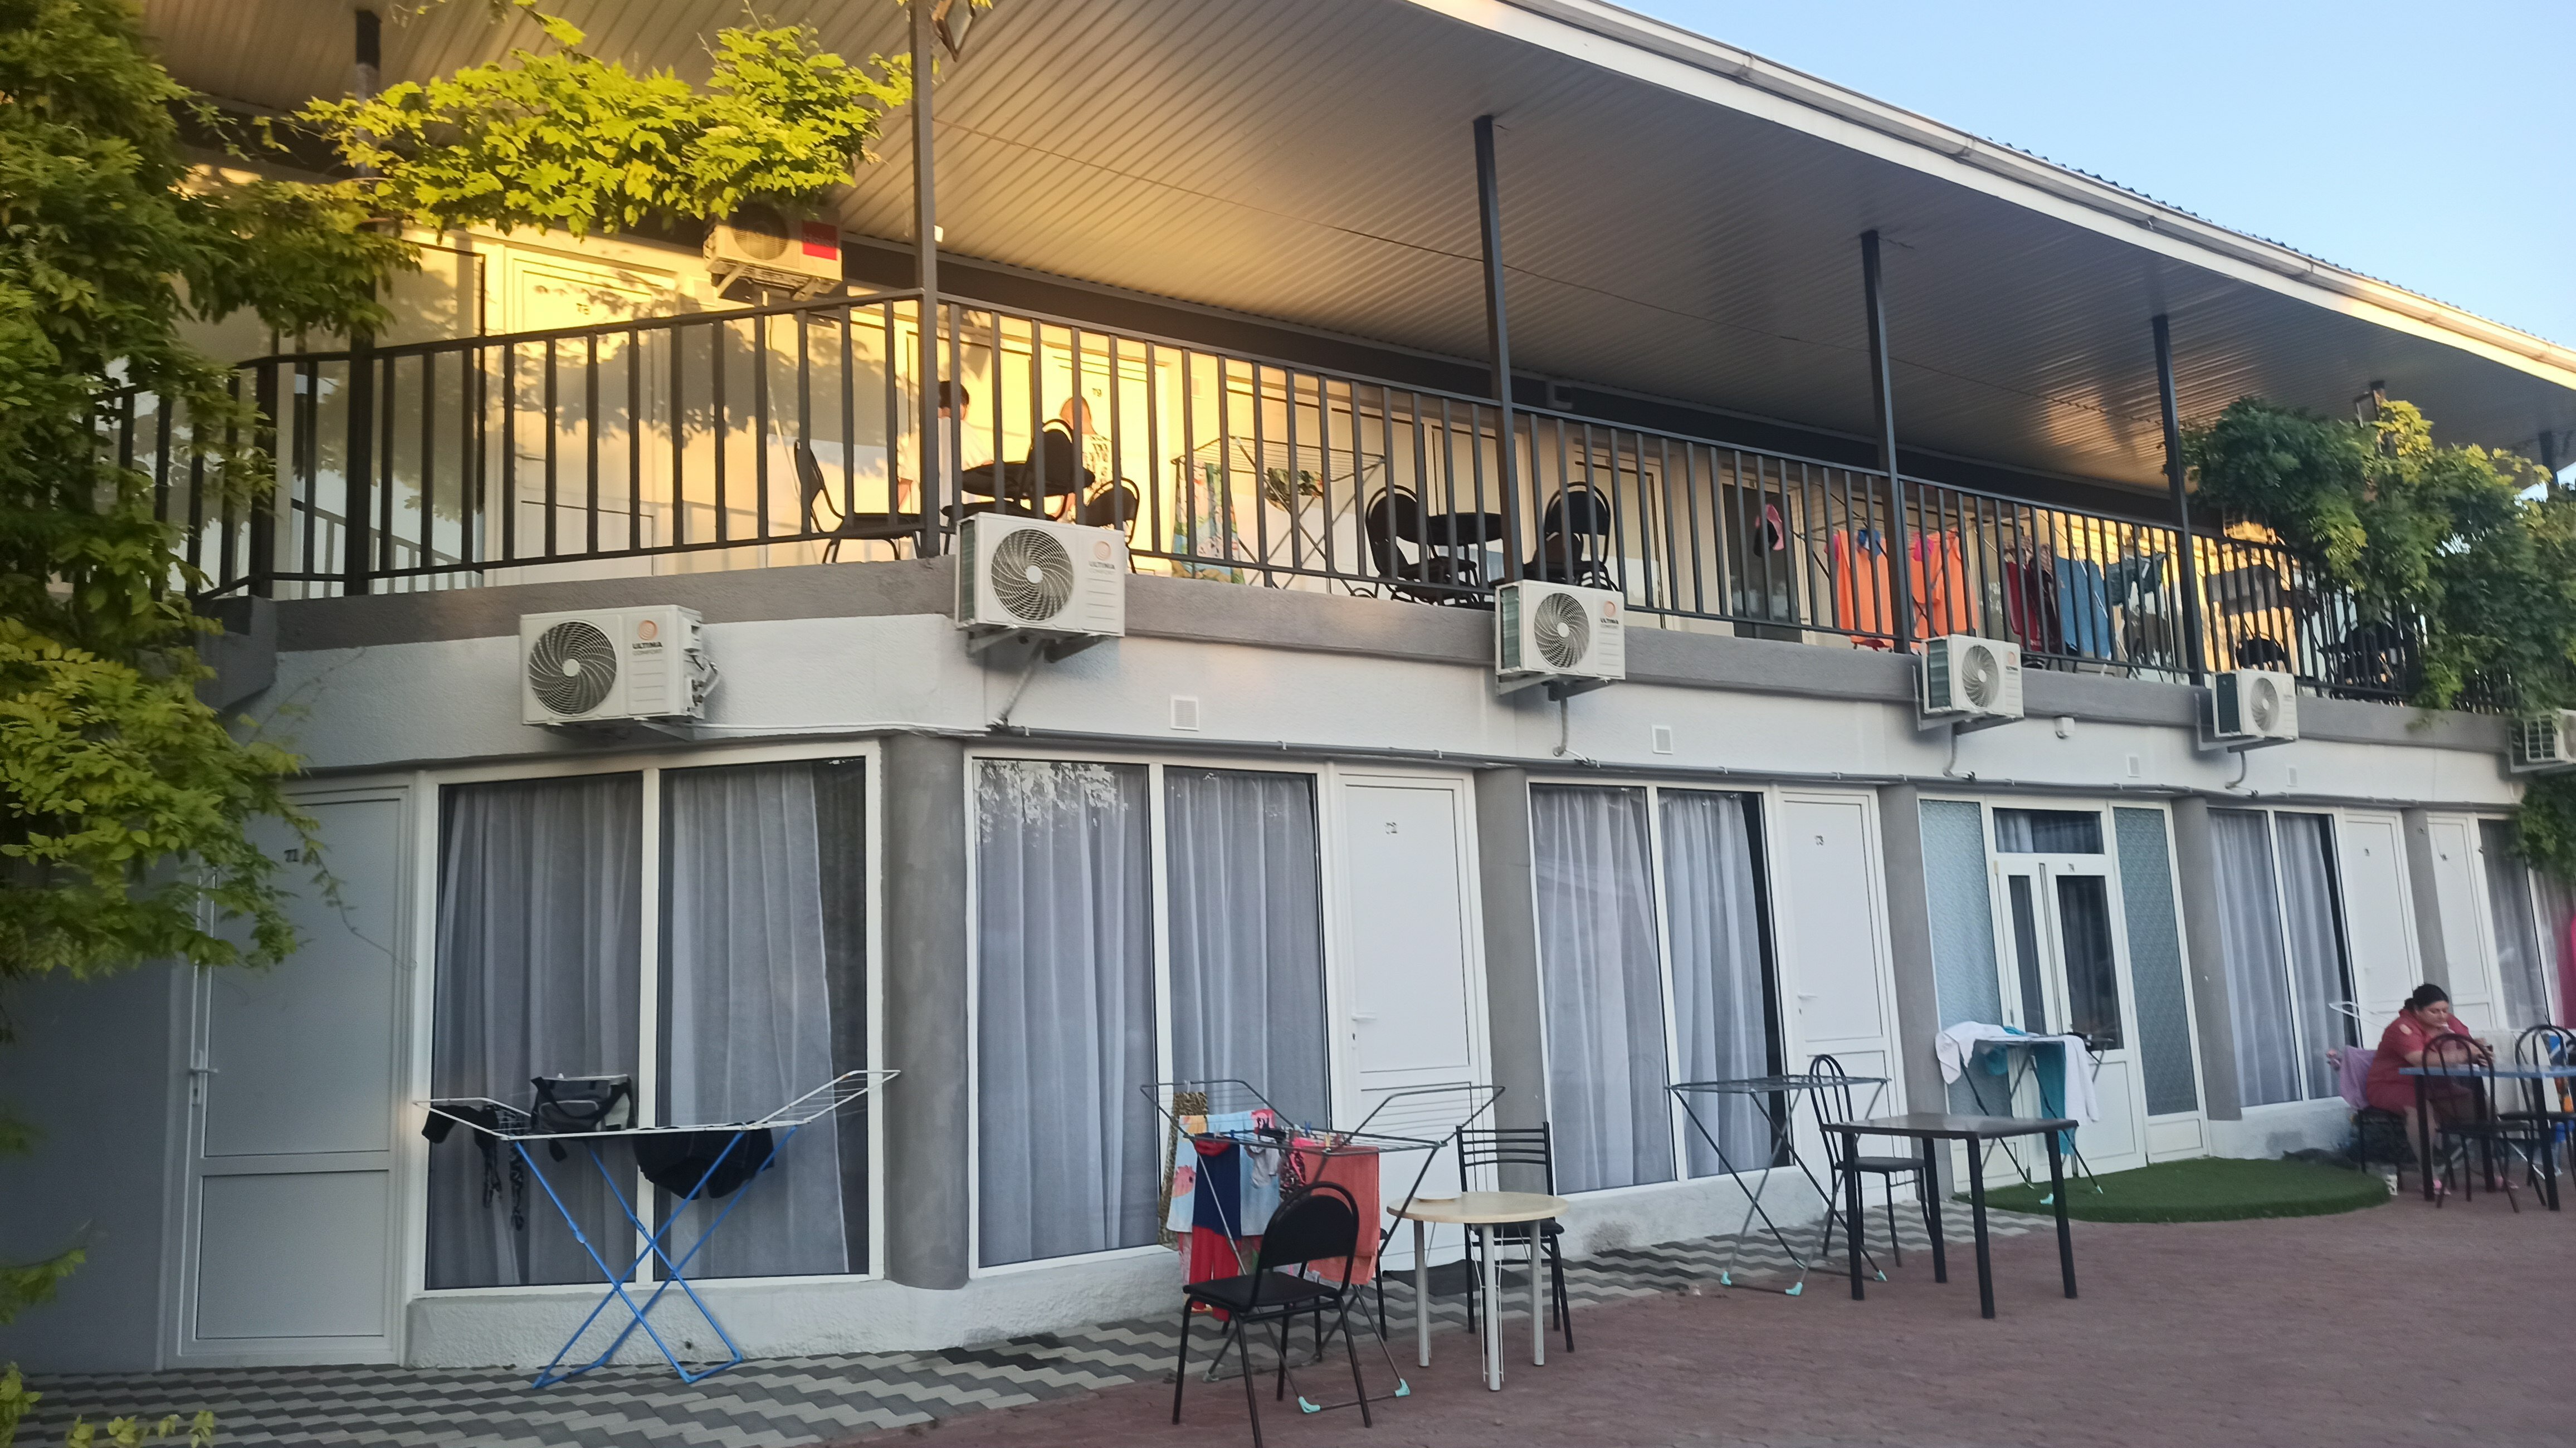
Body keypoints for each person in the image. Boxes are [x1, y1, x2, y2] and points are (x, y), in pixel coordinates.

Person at [2363, 983, 2491, 1192]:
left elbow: (2470, 1046)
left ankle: (2487, 1170)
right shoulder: (2402, 1027)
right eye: (2435, 1011)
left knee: (2484, 1108)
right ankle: (2428, 1175)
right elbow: (2419, 1060)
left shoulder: (2450, 1023)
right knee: (2421, 1111)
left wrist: (2482, 1055)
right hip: (2392, 1084)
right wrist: (2464, 1054)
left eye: (2445, 1010)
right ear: (2417, 1010)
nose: (2442, 1016)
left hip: (2436, 1085)